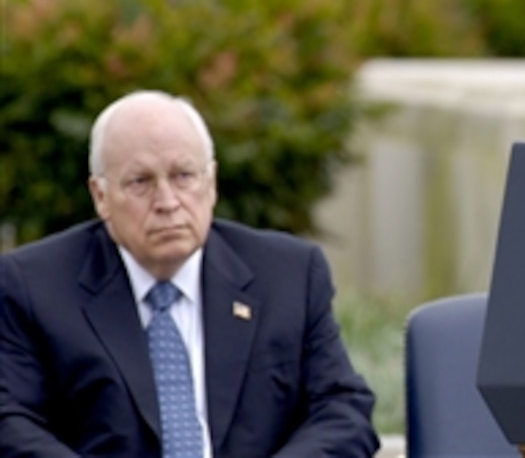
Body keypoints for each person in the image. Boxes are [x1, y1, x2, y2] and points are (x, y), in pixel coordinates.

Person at [0, 90, 380, 457]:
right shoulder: (33, 286)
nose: (167, 202)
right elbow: (10, 424)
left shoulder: (288, 275)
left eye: (183, 175)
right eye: (140, 182)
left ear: (211, 183)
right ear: (101, 196)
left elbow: (342, 410)